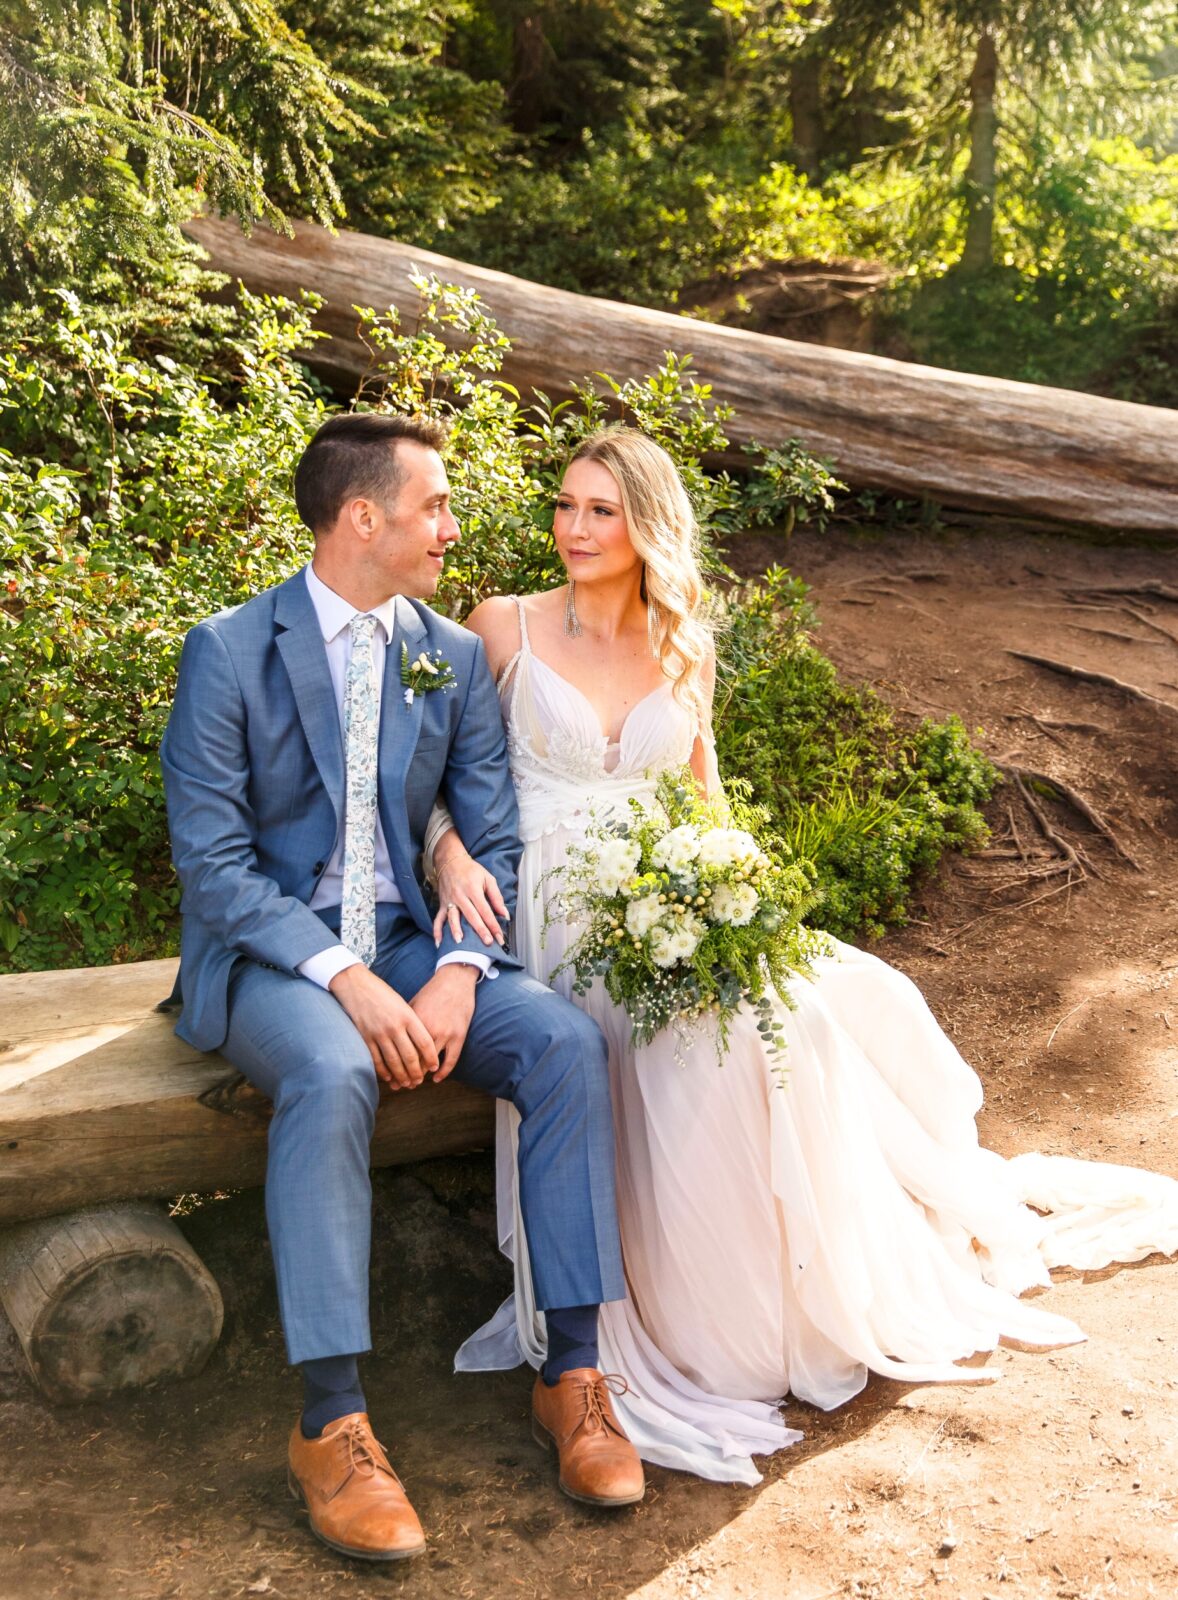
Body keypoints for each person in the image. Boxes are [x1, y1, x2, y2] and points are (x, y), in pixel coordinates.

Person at [427, 424, 1178, 1486]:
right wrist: (453, 855)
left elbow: (704, 800)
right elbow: (438, 786)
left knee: (818, 1005)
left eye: (600, 509)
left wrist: (739, 904)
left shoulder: (680, 641)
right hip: (544, 896)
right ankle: (687, 1329)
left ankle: (800, 1299)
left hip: (668, 888)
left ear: (646, 525)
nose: (574, 528)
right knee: (687, 1040)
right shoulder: (500, 627)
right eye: (564, 505)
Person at [160, 413, 646, 1564]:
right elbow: (213, 865)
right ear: (360, 517)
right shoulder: (228, 649)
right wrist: (344, 980)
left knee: (565, 1042)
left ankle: (569, 1373)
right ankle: (331, 1422)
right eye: (433, 505)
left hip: (411, 941)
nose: (452, 526)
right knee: (332, 1070)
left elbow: (491, 833)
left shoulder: (448, 651)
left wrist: (462, 972)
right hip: (276, 958)